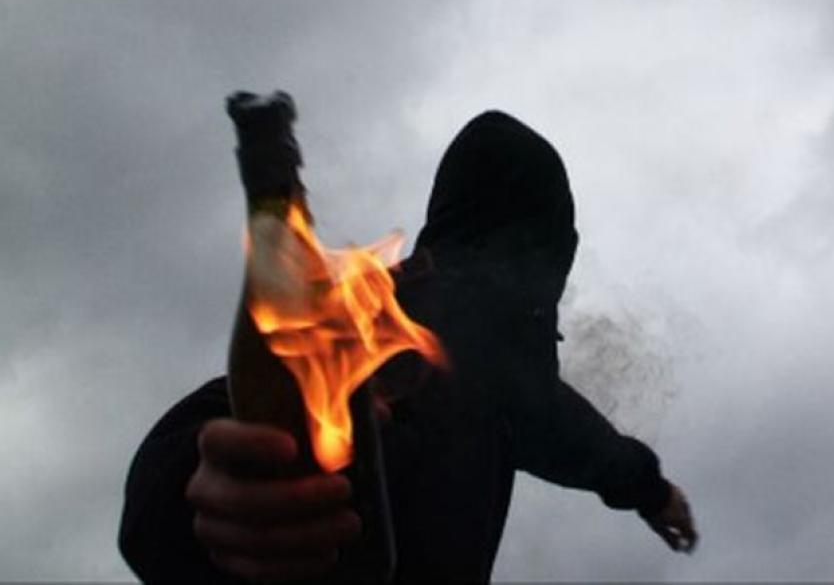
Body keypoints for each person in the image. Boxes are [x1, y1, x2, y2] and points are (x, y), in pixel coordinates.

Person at [119, 109, 697, 583]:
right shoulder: (409, 329)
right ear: (547, 251)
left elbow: (573, 435)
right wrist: (194, 485)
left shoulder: (499, 373)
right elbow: (224, 429)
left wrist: (651, 490)